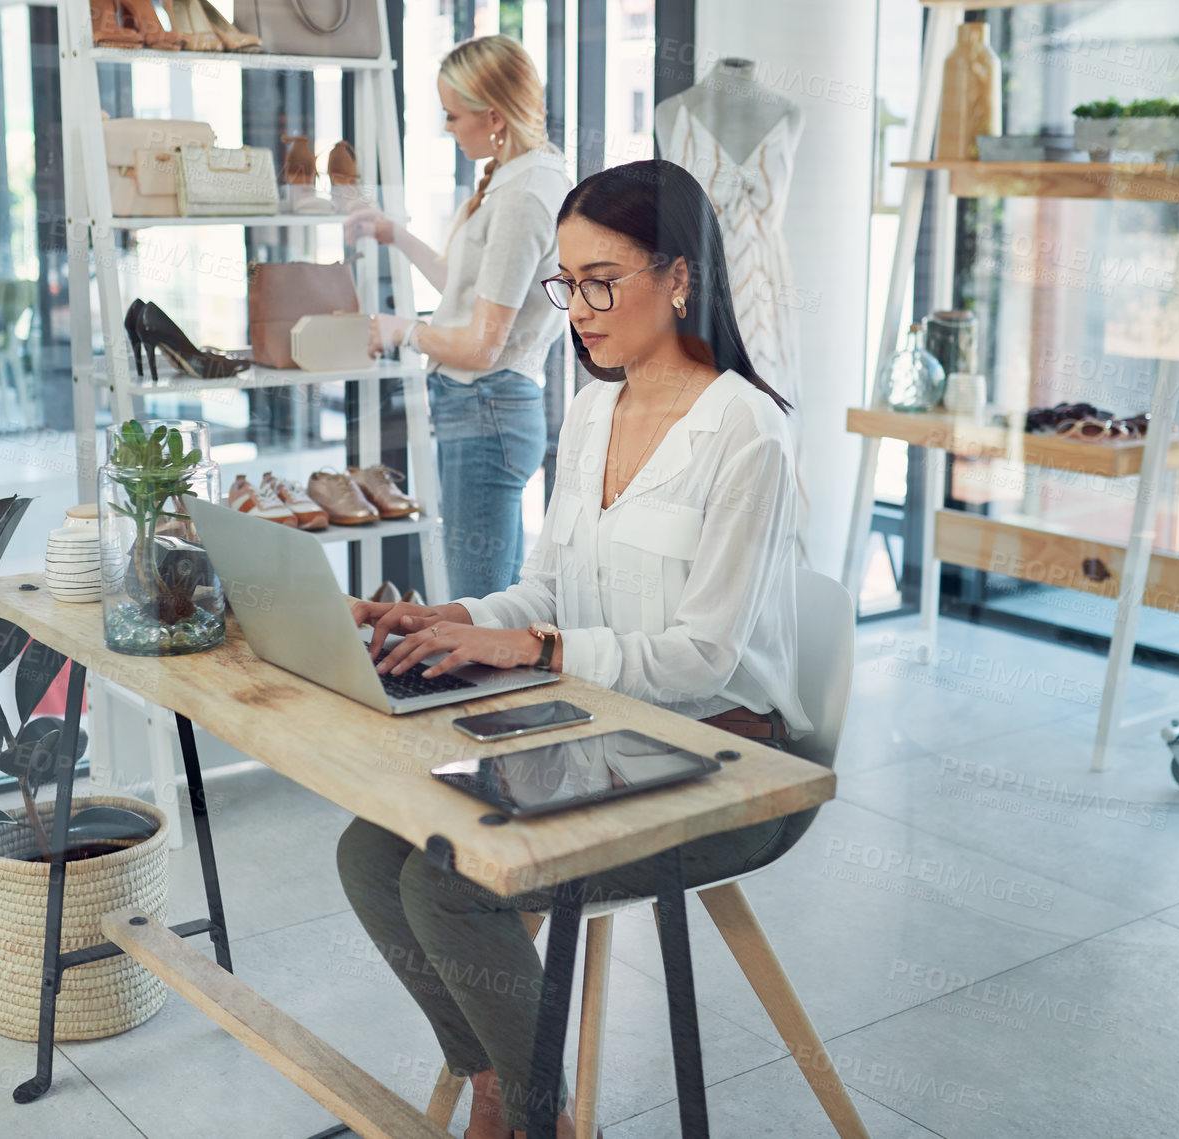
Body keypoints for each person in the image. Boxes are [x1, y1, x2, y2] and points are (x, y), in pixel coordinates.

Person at [337, 158, 816, 1139]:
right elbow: (547, 583)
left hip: (721, 762)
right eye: (566, 283)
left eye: (600, 280)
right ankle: (497, 1084)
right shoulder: (594, 404)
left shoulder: (746, 433)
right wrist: (454, 615)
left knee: (443, 883)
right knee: (368, 845)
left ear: (679, 277)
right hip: (597, 735)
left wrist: (536, 647)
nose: (578, 308)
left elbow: (701, 658)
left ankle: (541, 1118)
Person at [346, 34, 573, 600]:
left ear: (492, 115)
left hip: (485, 404)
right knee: (489, 600)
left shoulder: (524, 195)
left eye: (453, 115)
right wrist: (393, 233)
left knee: (475, 605)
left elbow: (481, 346)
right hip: (484, 407)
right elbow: (466, 288)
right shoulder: (520, 176)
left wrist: (404, 332)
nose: (447, 128)